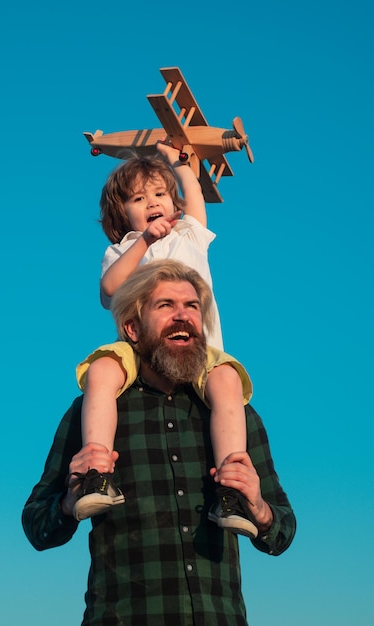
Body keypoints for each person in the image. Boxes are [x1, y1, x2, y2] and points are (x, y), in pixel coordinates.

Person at [22, 260, 296, 626]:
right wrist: (69, 502)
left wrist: (260, 509)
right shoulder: (92, 412)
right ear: (132, 328)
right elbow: (36, 523)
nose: (182, 316)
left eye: (192, 307)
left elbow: (281, 530)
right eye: (166, 305)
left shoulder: (236, 415)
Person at [75, 143, 255, 536]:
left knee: (227, 381)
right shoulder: (123, 249)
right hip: (143, 354)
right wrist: (145, 242)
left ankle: (232, 491)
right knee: (102, 370)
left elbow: (195, 199)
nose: (152, 203)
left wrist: (179, 160)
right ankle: (97, 471)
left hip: (197, 351)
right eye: (139, 199)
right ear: (122, 212)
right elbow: (108, 288)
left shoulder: (189, 233)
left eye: (160, 193)